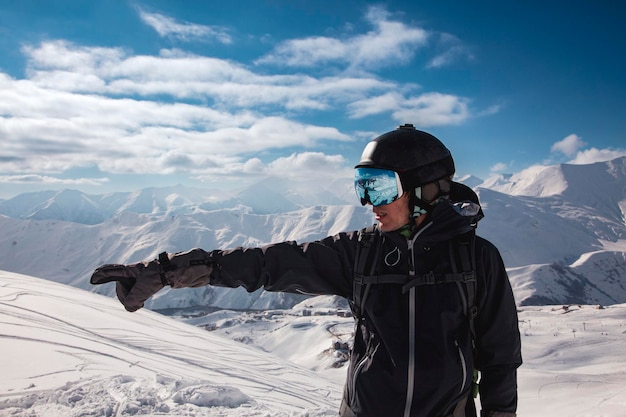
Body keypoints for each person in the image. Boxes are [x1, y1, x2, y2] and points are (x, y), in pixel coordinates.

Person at [91, 124, 522, 417]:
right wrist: (166, 272)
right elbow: (267, 263)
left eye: (381, 186)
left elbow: (499, 356)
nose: (369, 203)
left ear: (427, 190)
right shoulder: (360, 253)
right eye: (362, 186)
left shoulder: (476, 259)